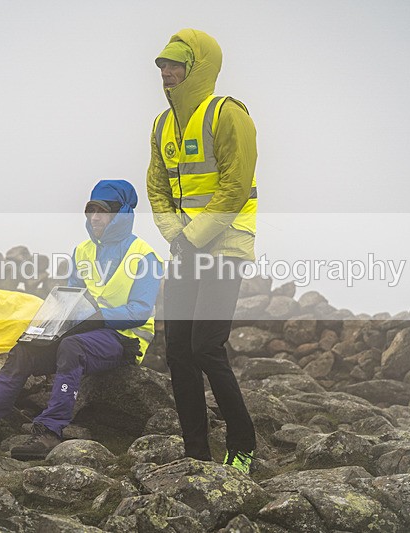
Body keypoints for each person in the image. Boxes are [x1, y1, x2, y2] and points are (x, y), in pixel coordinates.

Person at [0, 180, 162, 460]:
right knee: (24, 350)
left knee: (72, 348)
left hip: (125, 340)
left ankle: (49, 432)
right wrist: (52, 325)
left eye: (104, 210)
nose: (95, 216)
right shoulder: (83, 252)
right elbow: (71, 298)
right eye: (91, 209)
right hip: (87, 333)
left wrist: (99, 319)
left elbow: (139, 311)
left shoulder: (144, 256)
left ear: (123, 213)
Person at [146, 29, 258, 474]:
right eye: (161, 65)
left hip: (225, 247)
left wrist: (192, 238)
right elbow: (157, 187)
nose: (165, 72)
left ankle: (244, 444)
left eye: (174, 64)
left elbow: (234, 187)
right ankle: (196, 452)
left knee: (207, 347)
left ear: (198, 68)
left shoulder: (229, 114)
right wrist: (176, 234)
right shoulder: (161, 124)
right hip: (185, 248)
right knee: (176, 350)